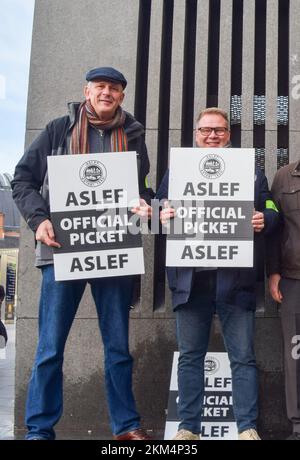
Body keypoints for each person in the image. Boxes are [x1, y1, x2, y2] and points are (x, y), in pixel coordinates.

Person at [12, 67, 153, 441]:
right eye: (100, 86)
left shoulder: (135, 135)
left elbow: (143, 188)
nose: (106, 93)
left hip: (115, 251)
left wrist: (145, 203)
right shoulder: (58, 129)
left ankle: (125, 427)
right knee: (49, 347)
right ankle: (39, 430)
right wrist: (39, 219)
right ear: (87, 91)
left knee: (118, 347)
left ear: (122, 96)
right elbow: (22, 179)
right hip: (61, 252)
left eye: (114, 88)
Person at [156, 107, 278, 440]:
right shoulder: (176, 171)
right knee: (190, 357)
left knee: (243, 357)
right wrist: (162, 211)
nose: (212, 135)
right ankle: (187, 429)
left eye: (219, 130)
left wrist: (263, 219)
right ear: (196, 135)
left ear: (229, 135)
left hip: (235, 282)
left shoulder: (251, 174)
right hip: (189, 281)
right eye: (206, 130)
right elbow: (153, 211)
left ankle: (247, 428)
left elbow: (271, 208)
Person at [267, 161, 300, 440]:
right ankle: (298, 425)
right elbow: (275, 229)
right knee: (295, 355)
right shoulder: (284, 176)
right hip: (294, 278)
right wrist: (274, 271)